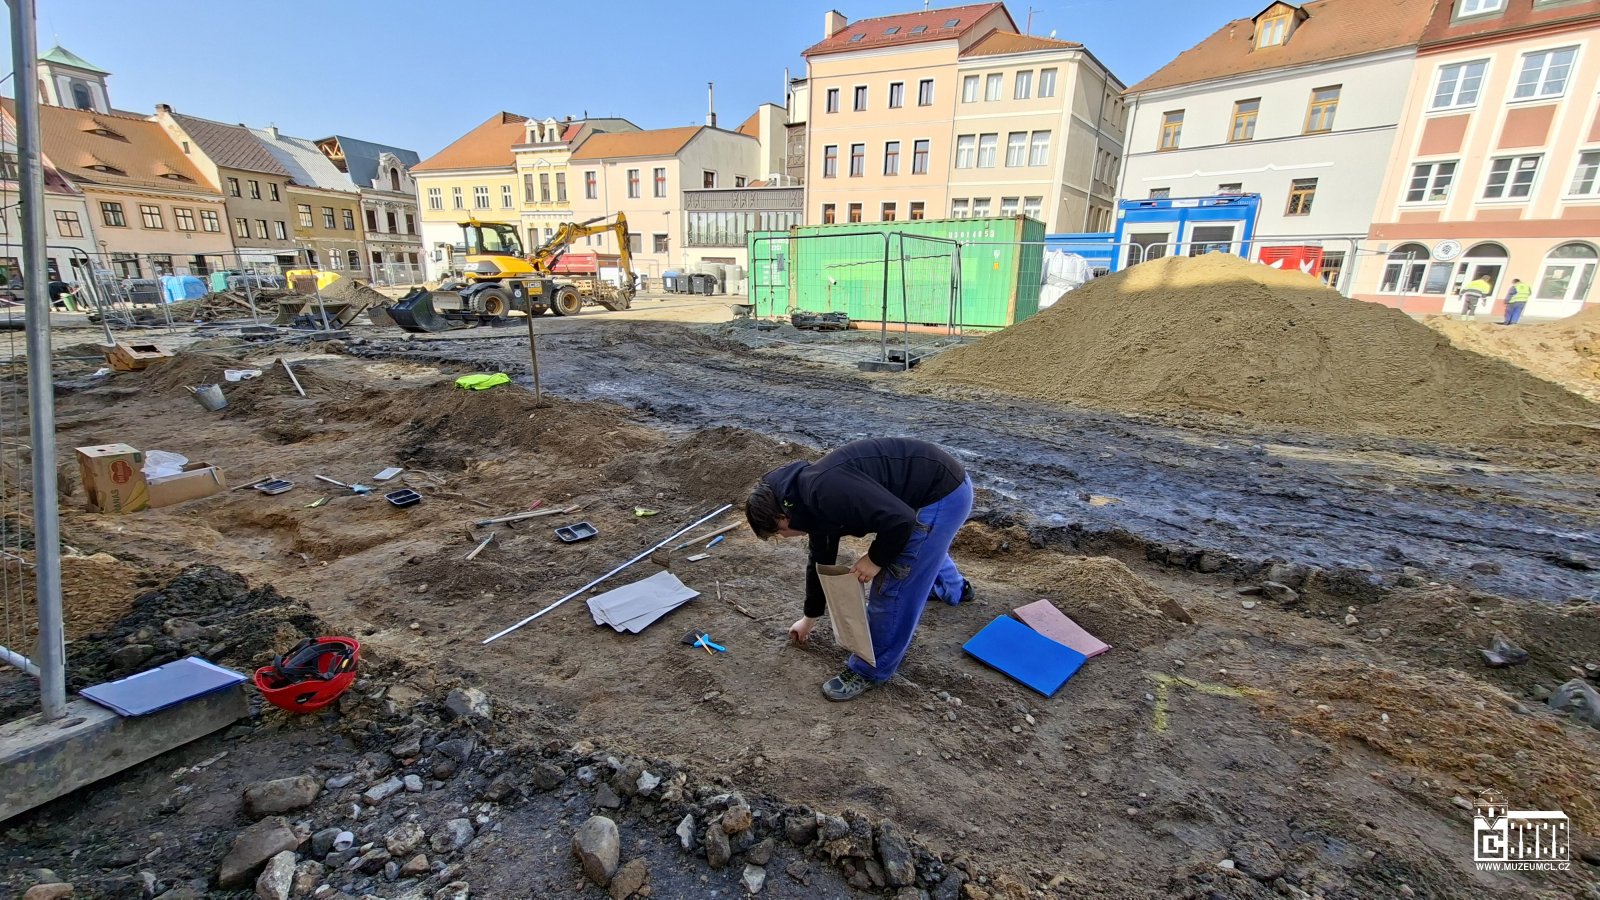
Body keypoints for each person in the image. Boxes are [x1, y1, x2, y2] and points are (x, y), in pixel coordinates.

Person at [746, 437, 974, 701]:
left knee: (894, 582)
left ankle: (869, 669)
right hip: (927, 487)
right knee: (921, 545)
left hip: (941, 495)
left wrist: (875, 559)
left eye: (779, 532)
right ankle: (955, 589)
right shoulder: (803, 500)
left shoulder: (825, 492)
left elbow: (901, 521)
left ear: (782, 516)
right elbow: (821, 560)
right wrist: (810, 618)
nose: (784, 537)